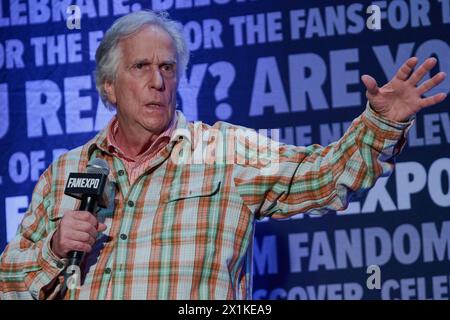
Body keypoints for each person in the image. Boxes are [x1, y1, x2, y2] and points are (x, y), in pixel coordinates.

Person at [0, 10, 447, 300]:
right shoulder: (66, 172)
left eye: (168, 68)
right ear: (109, 87)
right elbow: (8, 283)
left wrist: (381, 123)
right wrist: (56, 248)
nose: (158, 81)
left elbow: (327, 175)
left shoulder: (226, 151)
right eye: (142, 67)